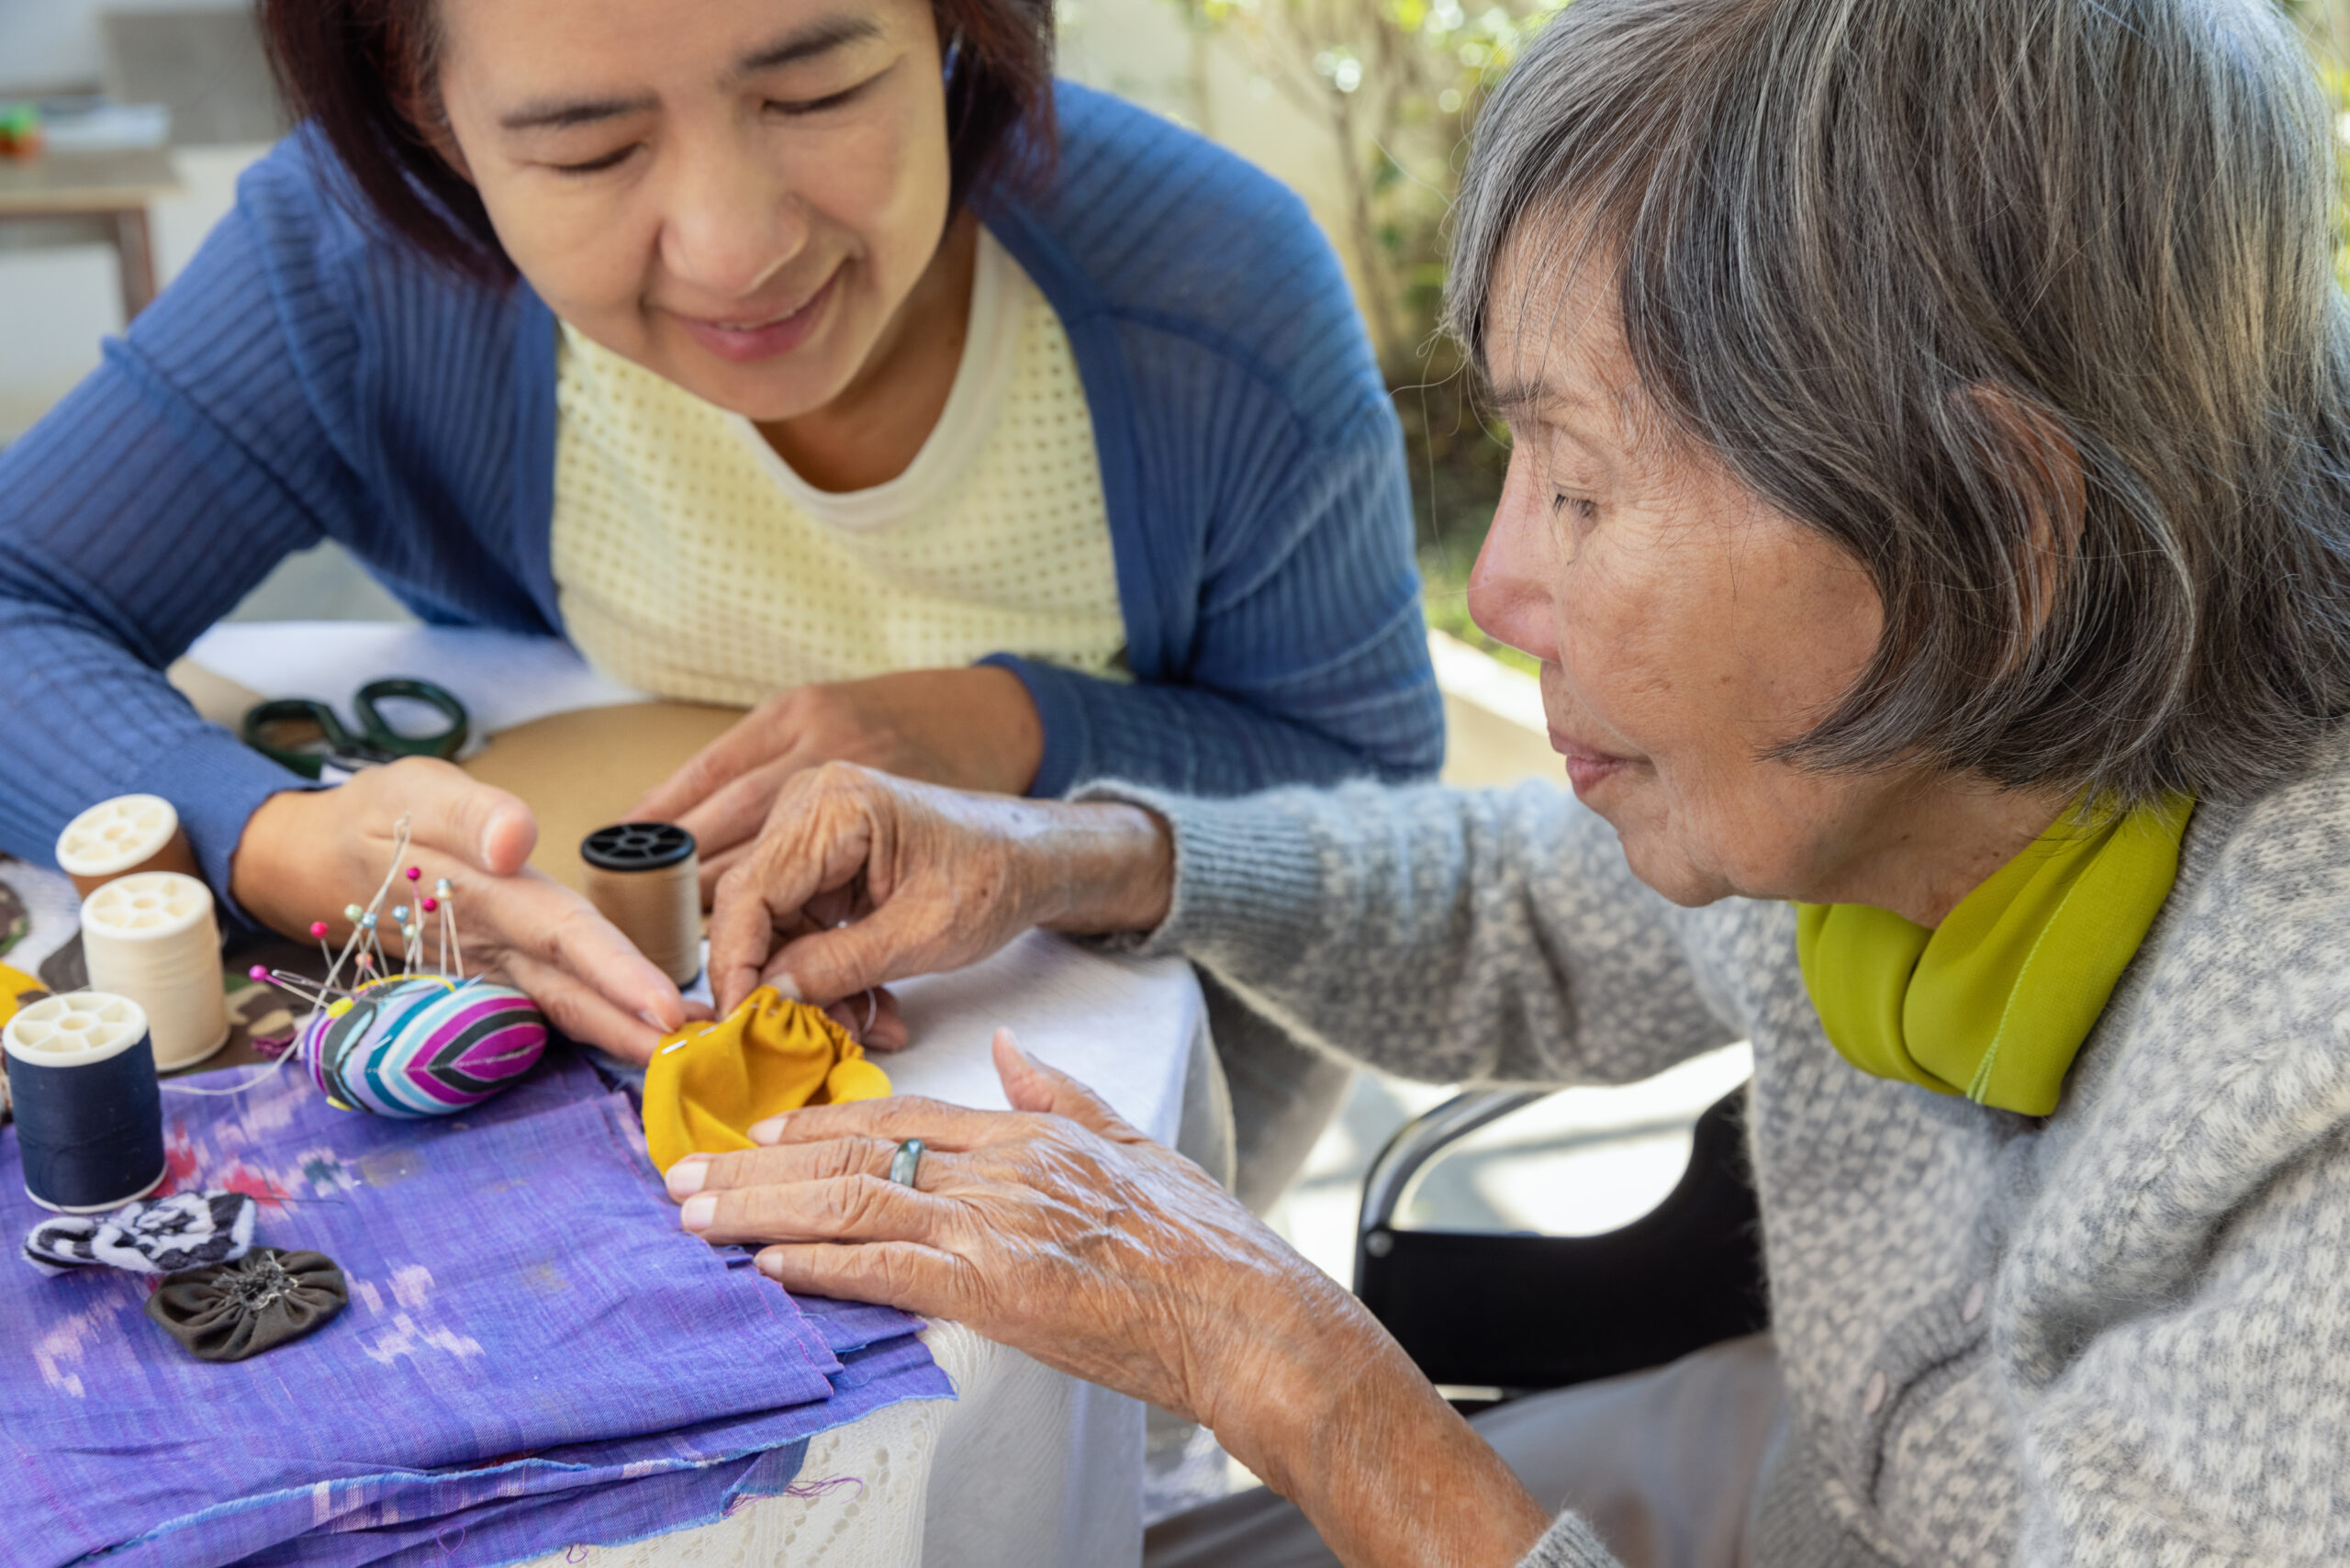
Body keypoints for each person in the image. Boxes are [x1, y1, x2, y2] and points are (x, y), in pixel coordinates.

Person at [665, 0, 2350, 1562]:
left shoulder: (2304, 1161)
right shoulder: (1917, 765)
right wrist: (1081, 855)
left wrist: (1297, 1374)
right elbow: (1526, 907)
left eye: (1588, 488)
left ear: (1998, 528)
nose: (1496, 594)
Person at [0, 0, 1440, 1070]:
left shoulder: (1214, 302)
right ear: (430, 118)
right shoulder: (356, 265)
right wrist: (272, 839)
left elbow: (1393, 829)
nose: (735, 245)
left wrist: (1020, 732)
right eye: (589, 149)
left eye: (816, 89)